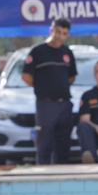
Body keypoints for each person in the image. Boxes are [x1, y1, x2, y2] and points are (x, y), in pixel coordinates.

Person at [21, 18, 76, 165]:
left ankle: (61, 180)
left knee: (63, 146)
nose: (60, 36)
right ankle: (42, 177)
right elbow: (26, 76)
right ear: (51, 30)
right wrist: (43, 87)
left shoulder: (67, 52)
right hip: (46, 105)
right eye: (58, 32)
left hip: (64, 105)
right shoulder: (38, 51)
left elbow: (71, 77)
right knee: (44, 145)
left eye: (64, 33)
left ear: (67, 35)